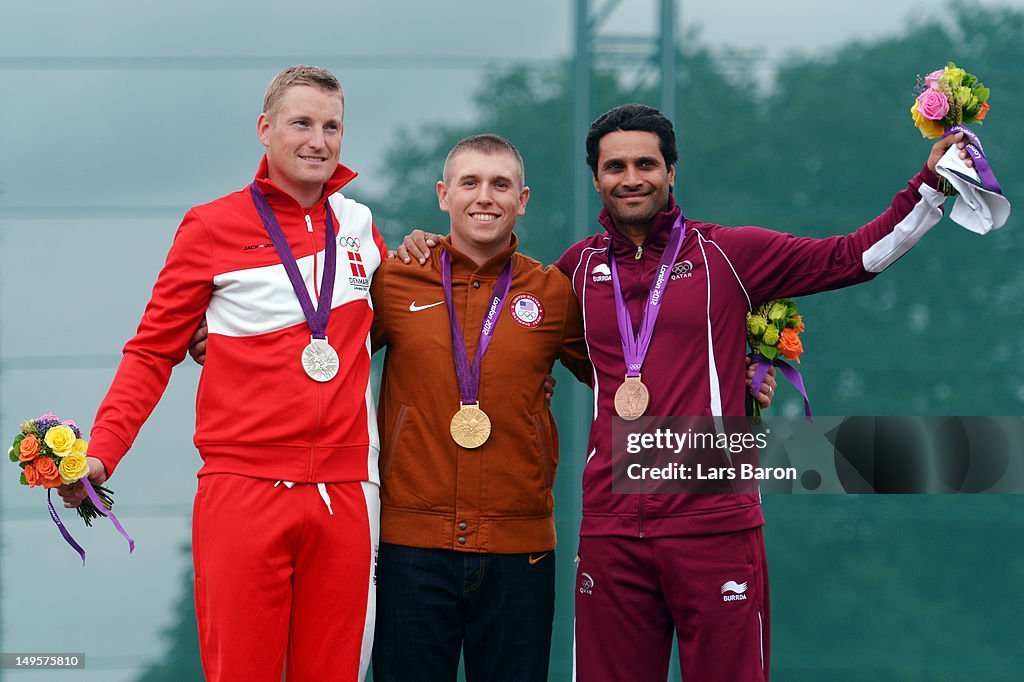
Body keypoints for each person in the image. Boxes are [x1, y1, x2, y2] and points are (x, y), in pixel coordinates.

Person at [552, 103, 972, 681]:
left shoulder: (728, 254)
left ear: (672, 172)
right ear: (595, 177)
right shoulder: (574, 269)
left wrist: (931, 186)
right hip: (611, 527)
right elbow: (513, 329)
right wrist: (428, 250)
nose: (631, 178)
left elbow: (853, 257)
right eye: (615, 166)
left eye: (646, 163)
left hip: (714, 525)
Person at [57, 65, 385, 682]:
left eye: (333, 126)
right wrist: (102, 453)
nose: (319, 139)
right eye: (302, 123)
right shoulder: (211, 226)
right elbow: (152, 351)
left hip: (344, 494)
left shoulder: (363, 227)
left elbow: (399, 326)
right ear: (265, 130)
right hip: (244, 488)